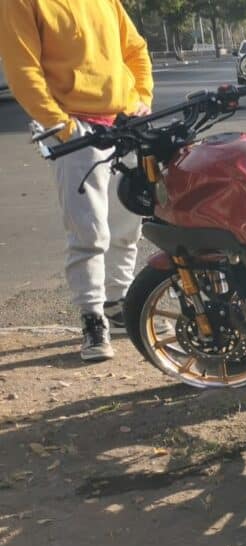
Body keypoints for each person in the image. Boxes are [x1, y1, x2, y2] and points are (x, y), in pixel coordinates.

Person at [0, 0, 153, 362]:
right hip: (74, 127)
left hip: (122, 121)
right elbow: (23, 67)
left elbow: (135, 49)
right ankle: (92, 317)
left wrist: (141, 98)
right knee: (88, 229)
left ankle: (118, 302)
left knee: (128, 220)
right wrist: (61, 126)